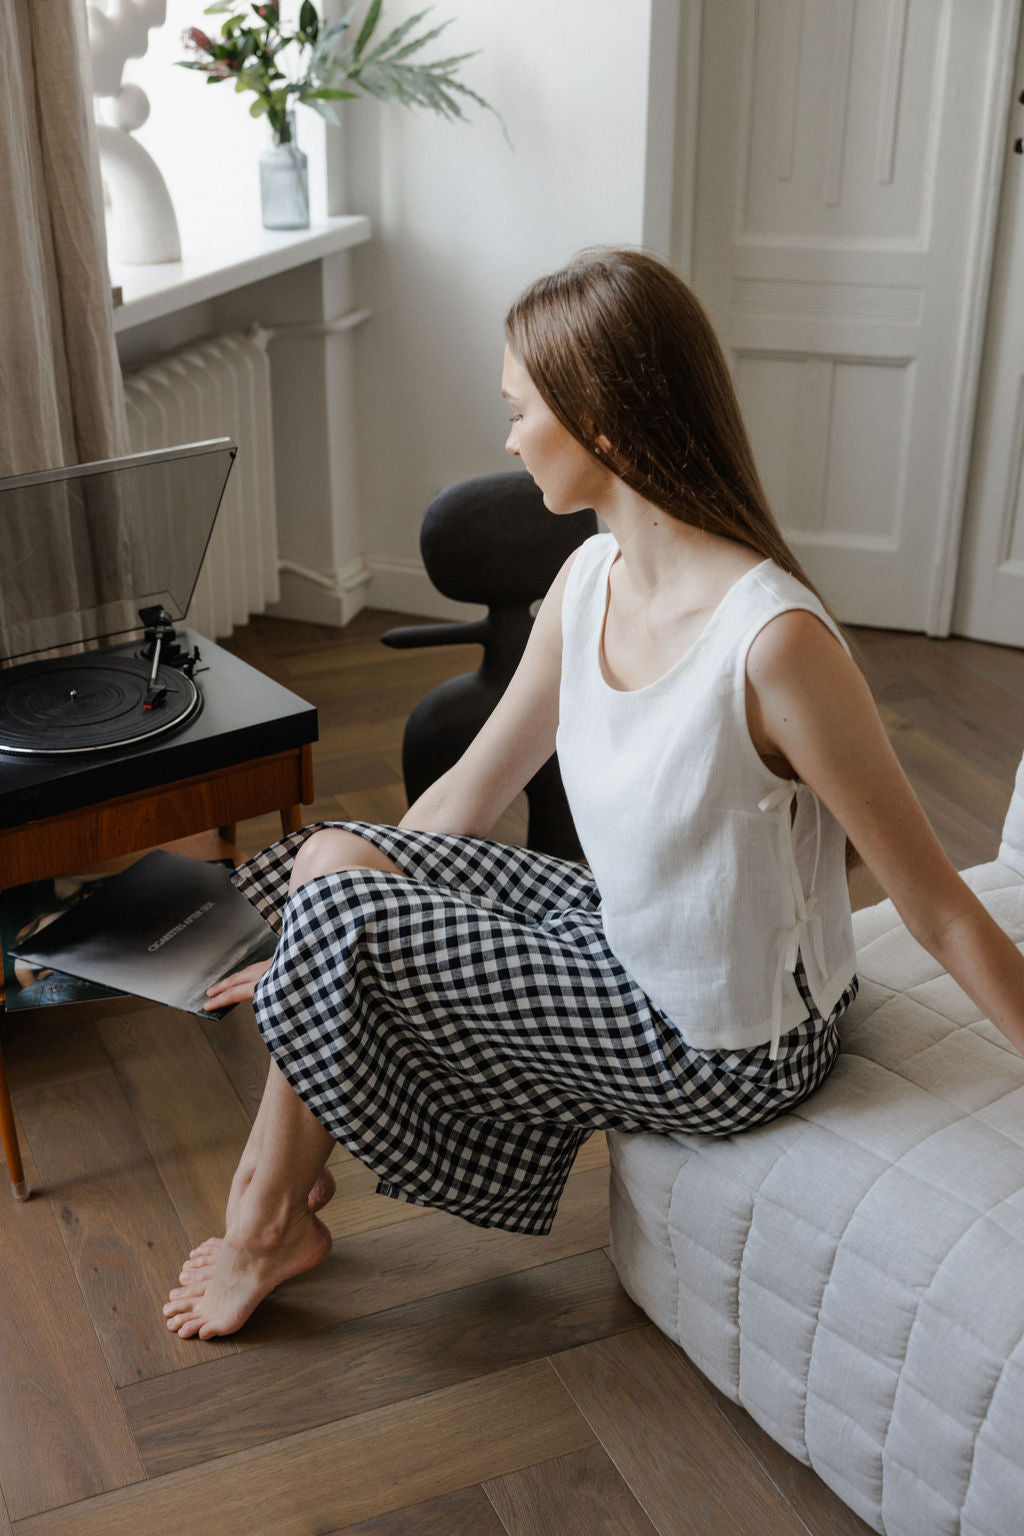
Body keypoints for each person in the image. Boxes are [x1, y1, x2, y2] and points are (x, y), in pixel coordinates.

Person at [164, 248, 1024, 1341]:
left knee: (338, 911)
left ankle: (260, 1219)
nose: (508, 437)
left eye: (521, 410)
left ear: (602, 427)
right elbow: (469, 796)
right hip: (626, 944)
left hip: (728, 1046)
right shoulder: (587, 578)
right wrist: (306, 944)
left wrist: (330, 947)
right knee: (334, 861)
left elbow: (937, 904)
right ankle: (280, 1199)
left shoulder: (773, 644)